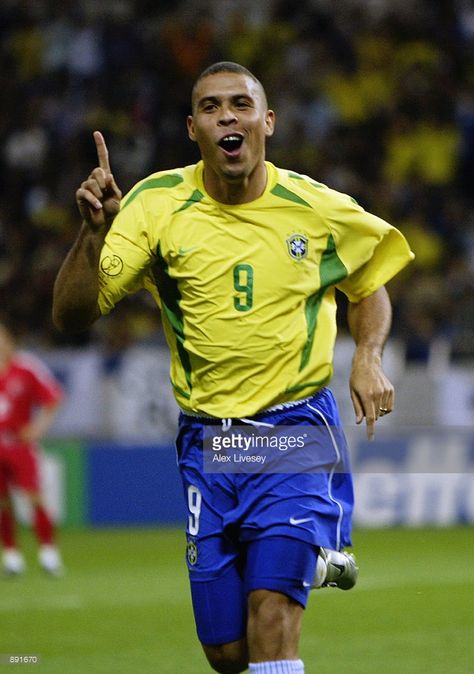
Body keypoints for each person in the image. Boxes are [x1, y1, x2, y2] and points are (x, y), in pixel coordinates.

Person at [52, 62, 414, 673]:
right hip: (211, 445)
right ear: (192, 127)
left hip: (296, 431)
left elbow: (370, 281)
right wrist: (92, 237)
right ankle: (312, 558)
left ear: (266, 121)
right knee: (226, 651)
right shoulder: (155, 206)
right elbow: (71, 315)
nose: (228, 116)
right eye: (212, 107)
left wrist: (368, 357)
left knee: (271, 614)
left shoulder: (316, 207)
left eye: (241, 105)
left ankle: (295, 551)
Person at [0, 319, 64, 577]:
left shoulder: (26, 368)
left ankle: (49, 552)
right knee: (2, 504)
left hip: (20, 445)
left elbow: (54, 397)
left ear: (9, 341)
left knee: (34, 497)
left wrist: (38, 428)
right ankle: (12, 555)